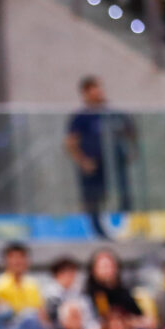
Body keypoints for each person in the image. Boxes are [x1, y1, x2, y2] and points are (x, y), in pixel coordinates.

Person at [66, 75, 128, 221]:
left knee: (119, 196)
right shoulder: (81, 117)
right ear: (86, 92)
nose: (101, 92)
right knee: (93, 199)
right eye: (96, 88)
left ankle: (120, 222)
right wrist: (83, 161)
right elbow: (71, 142)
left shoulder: (111, 114)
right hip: (93, 166)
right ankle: (94, 225)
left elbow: (127, 132)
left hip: (113, 166)